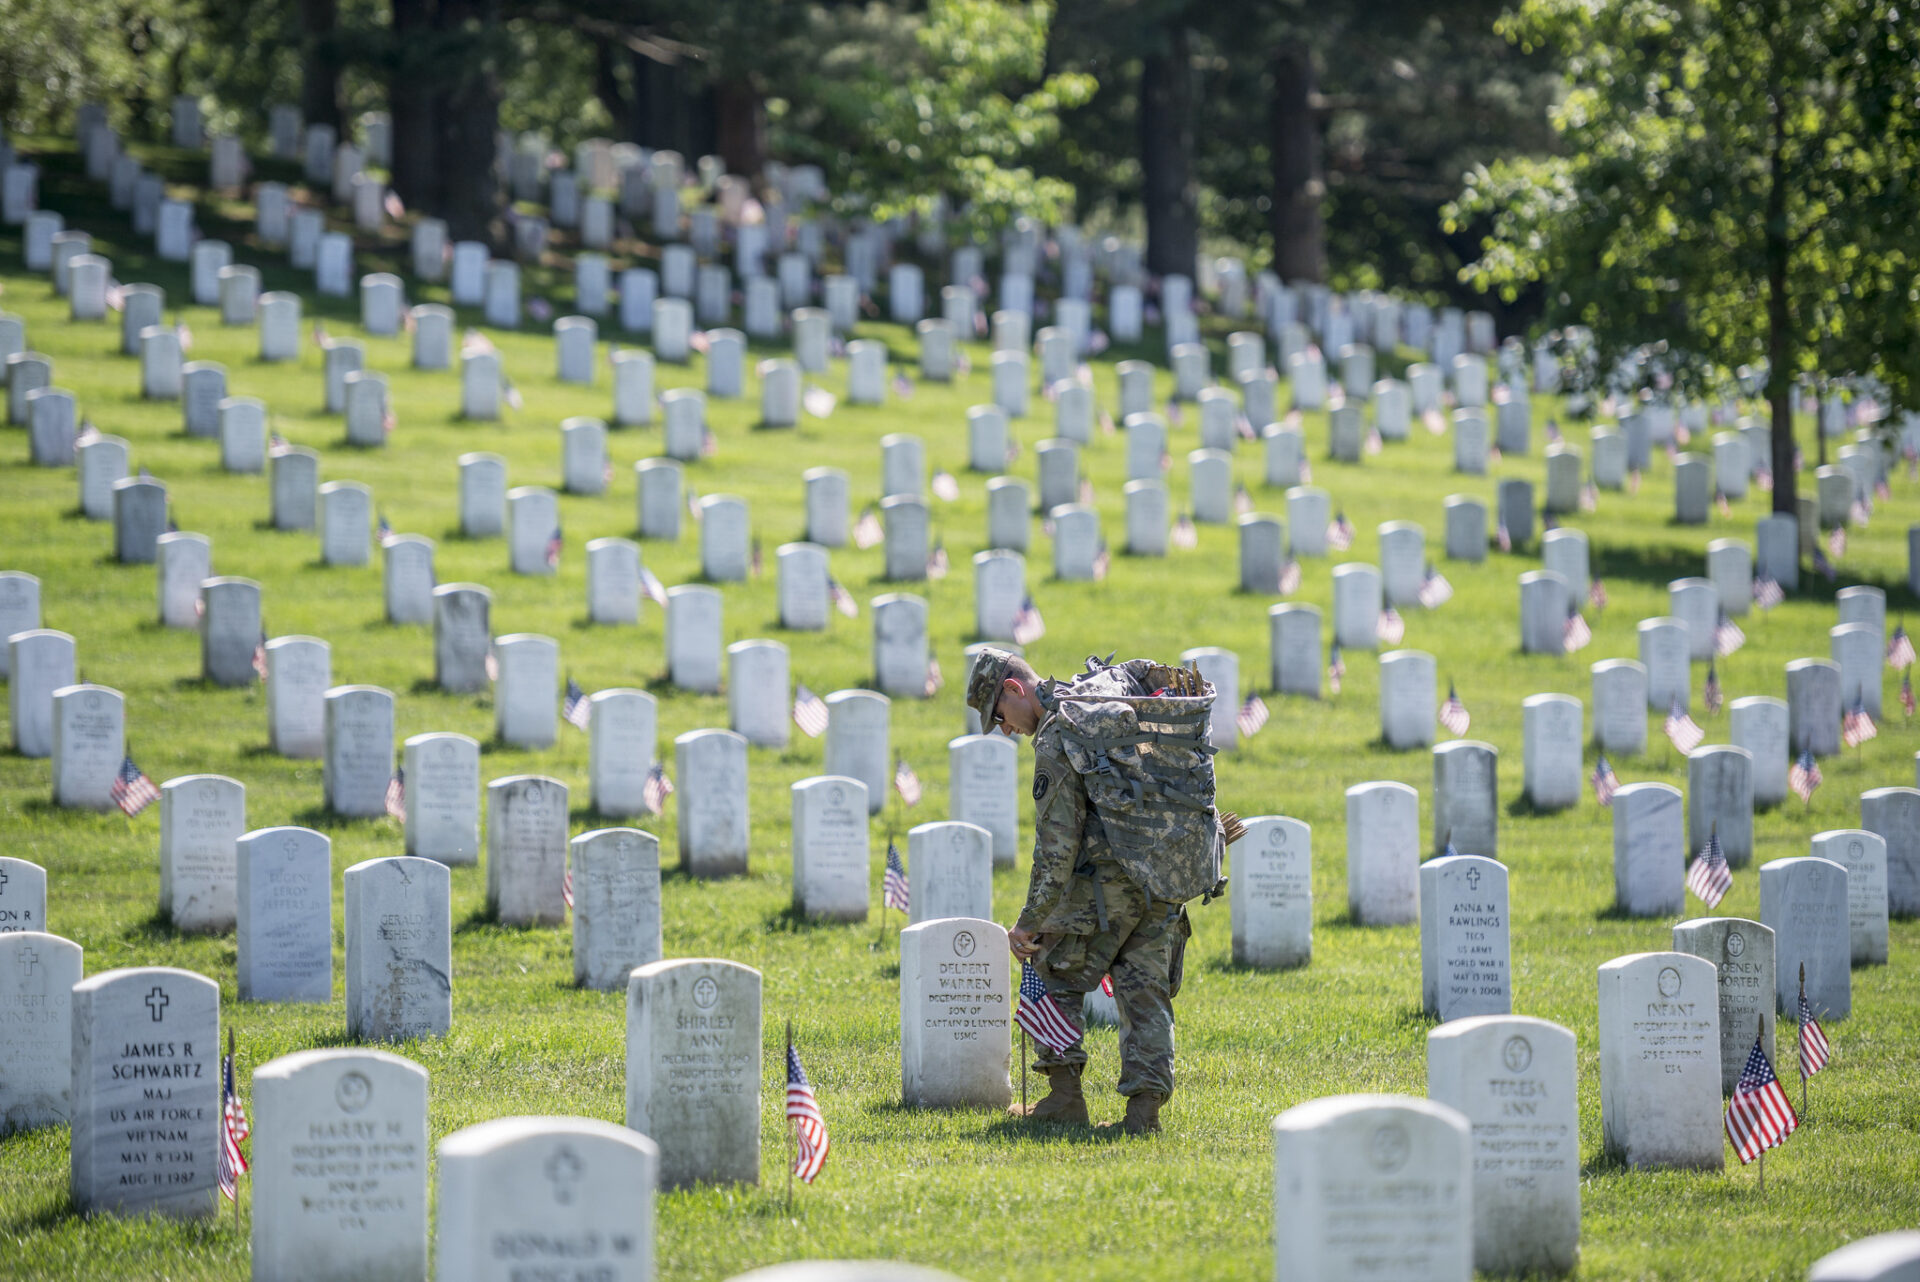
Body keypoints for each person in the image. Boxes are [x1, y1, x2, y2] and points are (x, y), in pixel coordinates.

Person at [966, 646, 1211, 1136]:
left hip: (1107, 887)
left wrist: (1030, 924)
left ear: (1014, 689)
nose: (1008, 730)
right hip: (1162, 872)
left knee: (1050, 968)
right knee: (1146, 991)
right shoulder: (1098, 707)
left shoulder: (1059, 735)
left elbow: (1057, 845)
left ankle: (1063, 1097)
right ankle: (1143, 1116)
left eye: (1001, 715)